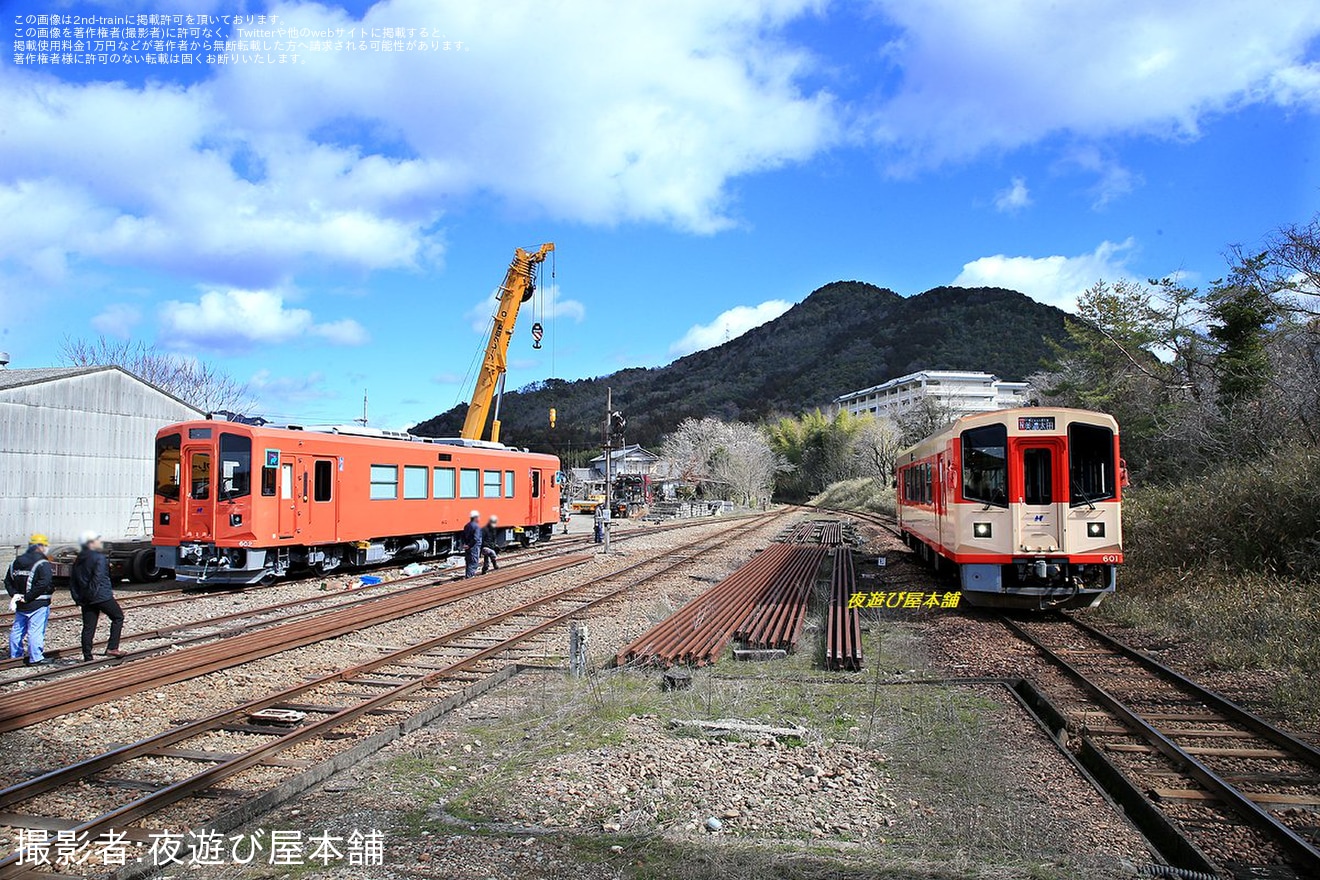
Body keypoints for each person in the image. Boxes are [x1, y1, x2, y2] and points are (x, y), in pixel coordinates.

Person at [70, 531, 128, 661]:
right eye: (97, 540)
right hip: (101, 596)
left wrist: (78, 597)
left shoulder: (79, 558)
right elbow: (98, 578)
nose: (99, 542)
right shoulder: (99, 558)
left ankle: (87, 656)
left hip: (85, 597)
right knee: (118, 617)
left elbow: (73, 580)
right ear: (90, 543)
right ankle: (112, 648)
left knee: (88, 627)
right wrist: (92, 595)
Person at [5, 533, 54, 666]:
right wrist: (28, 597)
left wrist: (15, 595)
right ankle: (36, 658)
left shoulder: (16, 561)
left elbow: (8, 581)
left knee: (17, 630)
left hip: (20, 603)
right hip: (38, 603)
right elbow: (44, 583)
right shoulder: (43, 563)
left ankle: (15, 656)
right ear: (40, 546)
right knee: (35, 631)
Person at [461, 510, 482, 578]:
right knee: (473, 563)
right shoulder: (476, 527)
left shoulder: (466, 525)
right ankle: (469, 578)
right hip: (474, 547)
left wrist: (465, 545)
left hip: (468, 547)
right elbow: (476, 538)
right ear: (475, 518)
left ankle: (467, 575)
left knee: (468, 563)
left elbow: (463, 536)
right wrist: (470, 545)